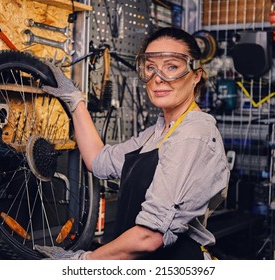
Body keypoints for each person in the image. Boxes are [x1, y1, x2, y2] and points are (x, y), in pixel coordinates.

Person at [35, 27, 230, 260]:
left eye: (172, 67)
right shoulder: (155, 133)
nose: (158, 78)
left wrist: (80, 262)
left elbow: (150, 237)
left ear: (196, 74)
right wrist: (76, 102)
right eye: (150, 68)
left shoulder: (193, 134)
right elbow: (98, 161)